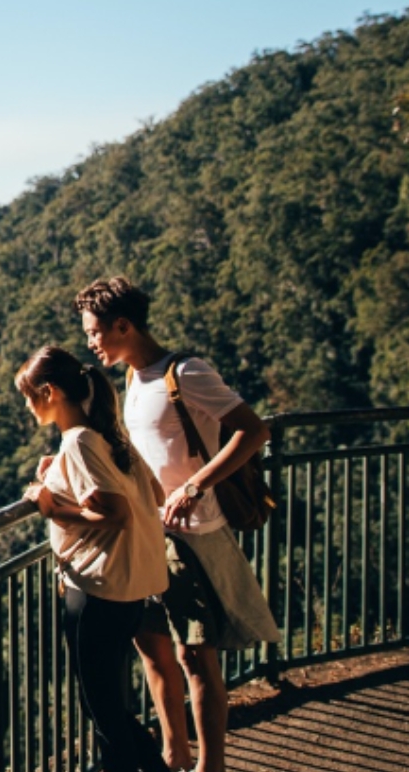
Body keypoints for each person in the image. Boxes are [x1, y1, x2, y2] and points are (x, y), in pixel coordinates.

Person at [75, 277, 280, 772]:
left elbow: (254, 431)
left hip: (191, 538)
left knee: (195, 658)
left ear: (123, 325)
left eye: (95, 332)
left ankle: (211, 766)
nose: (91, 342)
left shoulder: (185, 372)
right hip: (149, 536)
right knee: (153, 654)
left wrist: (195, 486)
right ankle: (172, 757)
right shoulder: (132, 378)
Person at [17, 346, 171, 772]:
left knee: (101, 710)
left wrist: (50, 506)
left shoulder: (80, 442)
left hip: (96, 592)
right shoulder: (108, 435)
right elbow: (152, 496)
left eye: (30, 396)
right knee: (109, 704)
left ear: (48, 392)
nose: (28, 406)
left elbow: (115, 514)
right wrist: (58, 473)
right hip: (131, 589)